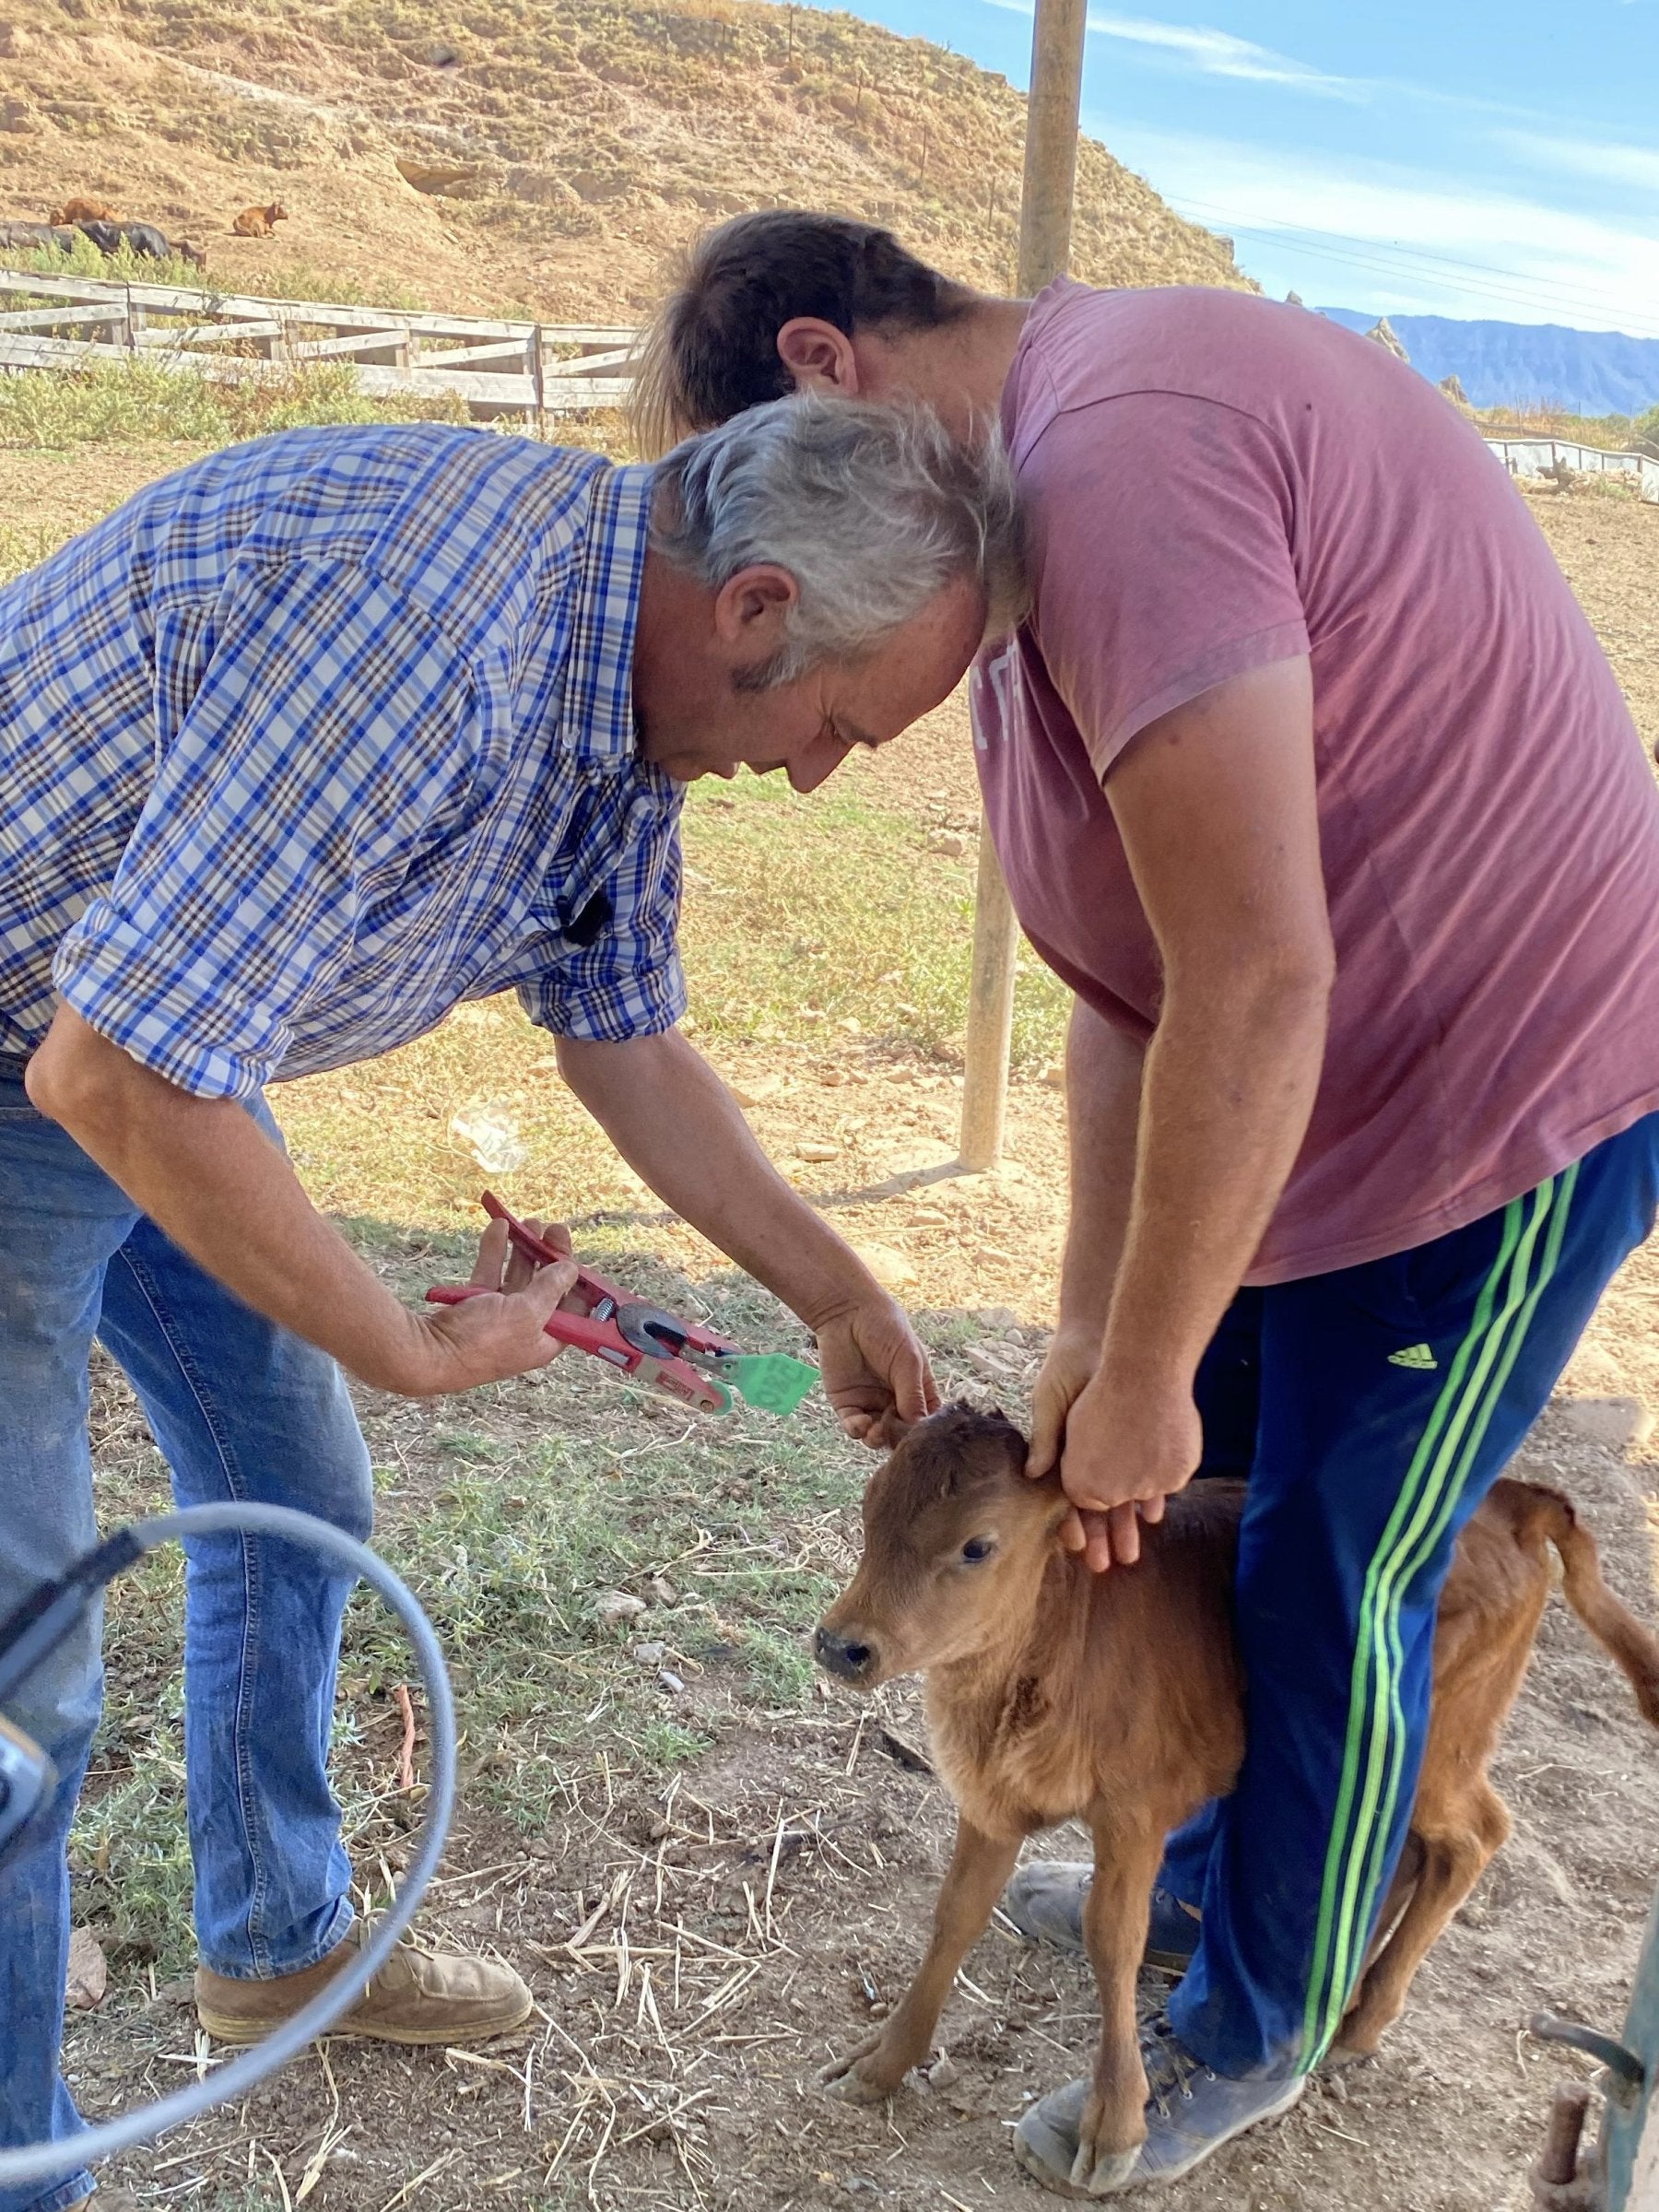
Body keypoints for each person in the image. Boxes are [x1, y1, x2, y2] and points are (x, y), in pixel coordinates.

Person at [635, 212, 1659, 2191]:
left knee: (1328, 1557)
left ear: (831, 381)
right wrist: (1104, 1332)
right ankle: (1192, 1864)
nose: (812, 712)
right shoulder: (1029, 534)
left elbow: (1259, 976)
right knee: (1192, 1523)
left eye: (794, 615)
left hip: (1498, 1107)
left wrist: (1165, 1354)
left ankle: (1252, 2017)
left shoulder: (1129, 464)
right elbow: (1130, 988)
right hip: (1310, 1105)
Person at [0, 392, 1023, 2212]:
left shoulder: (628, 689)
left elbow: (616, 1027)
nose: (813, 775)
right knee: (19, 1689)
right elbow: (118, 1078)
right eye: (841, 729)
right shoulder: (427, 645)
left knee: (297, 1497)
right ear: (760, 607)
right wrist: (403, 1343)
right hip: (74, 1069)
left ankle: (280, 1944)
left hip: (129, 1055)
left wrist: (834, 1290)